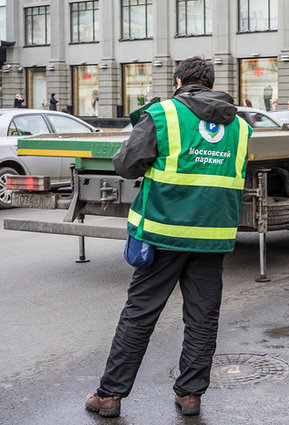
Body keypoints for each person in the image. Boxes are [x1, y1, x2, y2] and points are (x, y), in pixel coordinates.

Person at [84, 57, 252, 418]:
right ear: (210, 83)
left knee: (140, 315)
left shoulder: (163, 115)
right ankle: (190, 396)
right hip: (213, 236)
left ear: (178, 81)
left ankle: (110, 395)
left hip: (163, 234)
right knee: (203, 318)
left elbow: (126, 165)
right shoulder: (239, 124)